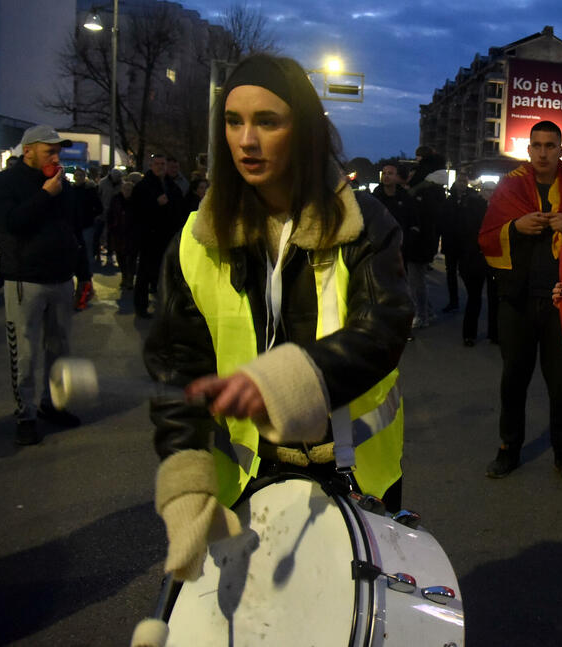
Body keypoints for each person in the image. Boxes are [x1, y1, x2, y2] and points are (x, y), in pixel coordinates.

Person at [143, 53, 413, 582]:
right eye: (233, 121)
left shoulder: (364, 222)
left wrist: (289, 380)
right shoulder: (197, 237)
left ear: (305, 131)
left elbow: (384, 326)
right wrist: (186, 487)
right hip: (249, 477)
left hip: (356, 471)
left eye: (267, 121)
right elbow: (178, 371)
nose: (246, 140)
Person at [478, 120, 562, 484]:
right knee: (512, 381)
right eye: (538, 145)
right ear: (529, 149)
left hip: (560, 303)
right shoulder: (510, 188)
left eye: (551, 145)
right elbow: (486, 237)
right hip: (516, 300)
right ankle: (508, 448)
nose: (544, 152)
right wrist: (514, 228)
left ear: (561, 151)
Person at [0, 125, 91, 445]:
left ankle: (52, 405)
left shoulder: (62, 186)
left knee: (59, 350)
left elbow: (73, 231)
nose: (56, 156)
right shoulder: (7, 182)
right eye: (49, 151)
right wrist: (45, 195)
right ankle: (26, 415)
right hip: (25, 281)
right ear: (28, 152)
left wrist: (85, 274)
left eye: (57, 151)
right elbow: (13, 223)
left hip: (61, 279)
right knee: (24, 354)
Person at [131, 154, 182, 318]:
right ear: (151, 165)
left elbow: (178, 208)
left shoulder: (171, 185)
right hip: (149, 238)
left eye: (163, 164)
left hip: (167, 237)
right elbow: (136, 212)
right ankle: (141, 306)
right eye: (157, 164)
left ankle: (165, 306)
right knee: (145, 273)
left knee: (165, 274)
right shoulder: (144, 186)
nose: (160, 167)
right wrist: (155, 204)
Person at [405, 146, 447, 327]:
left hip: (419, 241)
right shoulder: (436, 190)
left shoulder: (422, 192)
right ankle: (427, 311)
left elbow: (422, 216)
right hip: (425, 239)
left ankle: (421, 315)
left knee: (416, 281)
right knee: (417, 279)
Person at [457, 181, 497, 346]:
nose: (491, 193)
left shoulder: (498, 207)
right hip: (476, 258)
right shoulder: (473, 207)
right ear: (482, 191)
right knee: (475, 298)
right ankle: (469, 334)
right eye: (488, 190)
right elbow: (469, 231)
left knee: (494, 298)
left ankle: (494, 334)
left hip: (492, 259)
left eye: (493, 190)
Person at [441, 172, 472, 313]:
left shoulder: (471, 199)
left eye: (464, 182)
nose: (462, 184)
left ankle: (472, 298)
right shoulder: (449, 199)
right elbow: (443, 220)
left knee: (465, 272)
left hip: (465, 243)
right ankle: (453, 301)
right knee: (451, 273)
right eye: (460, 181)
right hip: (451, 242)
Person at [96, 168, 123, 266]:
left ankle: (110, 254)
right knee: (99, 235)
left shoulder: (121, 184)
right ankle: (98, 254)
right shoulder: (103, 183)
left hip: (115, 214)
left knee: (111, 236)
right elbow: (98, 196)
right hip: (103, 212)